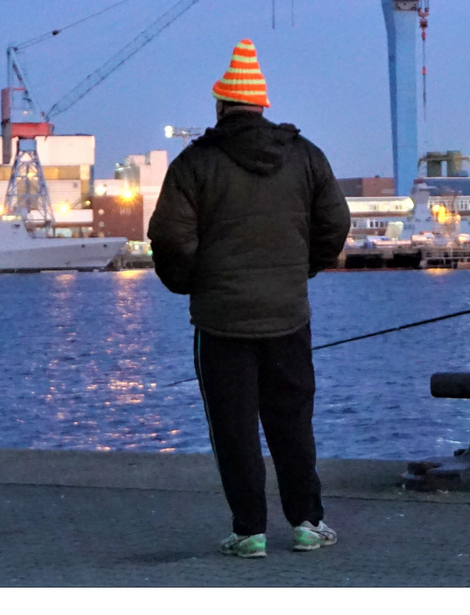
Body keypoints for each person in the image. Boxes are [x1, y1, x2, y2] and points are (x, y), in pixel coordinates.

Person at [150, 39, 351, 558]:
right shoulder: (305, 156)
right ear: (262, 106)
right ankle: (308, 522)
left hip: (221, 322)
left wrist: (193, 283)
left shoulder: (195, 163)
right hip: (288, 314)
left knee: (233, 428)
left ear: (221, 106)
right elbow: (335, 223)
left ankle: (249, 532)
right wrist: (300, 270)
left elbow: (171, 238)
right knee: (293, 421)